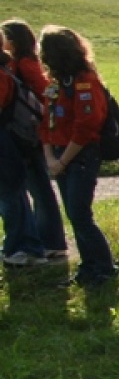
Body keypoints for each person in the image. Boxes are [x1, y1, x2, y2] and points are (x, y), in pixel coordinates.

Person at [36, 26, 117, 287]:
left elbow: (86, 126)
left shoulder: (85, 82)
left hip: (79, 155)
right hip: (60, 155)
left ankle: (103, 267)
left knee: (80, 214)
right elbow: (46, 122)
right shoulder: (56, 83)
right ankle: (88, 267)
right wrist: (50, 156)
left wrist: (61, 161)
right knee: (74, 213)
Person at [1, 19, 67, 263]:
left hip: (26, 134)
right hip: (28, 133)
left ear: (14, 41)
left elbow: (44, 93)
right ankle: (45, 241)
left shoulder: (24, 64)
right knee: (36, 187)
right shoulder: (16, 64)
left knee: (35, 188)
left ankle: (44, 243)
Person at [0, 49, 48, 265]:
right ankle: (26, 246)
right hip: (9, 144)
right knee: (13, 195)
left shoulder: (2, 76)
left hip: (6, 145)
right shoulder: (6, 71)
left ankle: (20, 247)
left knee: (10, 195)